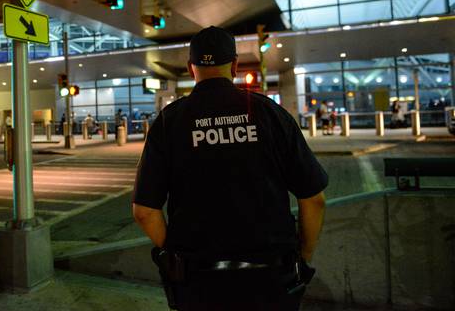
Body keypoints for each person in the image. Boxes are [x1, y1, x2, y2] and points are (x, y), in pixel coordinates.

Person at [132, 26, 327, 310]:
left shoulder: (169, 122)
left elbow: (144, 212)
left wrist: (179, 257)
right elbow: (314, 200)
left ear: (190, 68)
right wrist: (302, 257)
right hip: (271, 278)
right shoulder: (271, 115)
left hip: (198, 283)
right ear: (234, 65)